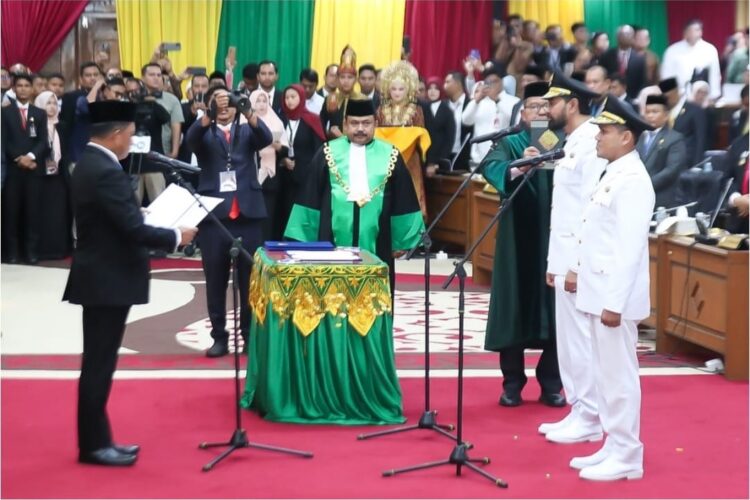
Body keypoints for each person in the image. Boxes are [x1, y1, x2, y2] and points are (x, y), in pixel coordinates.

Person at [63, 100, 197, 466]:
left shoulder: (92, 163)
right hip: (106, 278)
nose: (133, 140)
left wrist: (136, 212)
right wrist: (176, 236)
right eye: (131, 133)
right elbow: (132, 230)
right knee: (99, 364)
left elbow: (114, 216)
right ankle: (93, 446)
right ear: (117, 134)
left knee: (99, 362)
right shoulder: (105, 170)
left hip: (102, 276)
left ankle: (99, 439)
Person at [566, 95, 655, 481]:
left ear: (627, 137)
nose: (597, 137)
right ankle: (613, 442)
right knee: (604, 374)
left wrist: (614, 303)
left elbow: (629, 249)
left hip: (613, 296)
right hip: (598, 290)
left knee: (618, 377)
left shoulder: (633, 181)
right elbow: (593, 232)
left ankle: (628, 453)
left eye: (605, 131)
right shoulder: (614, 172)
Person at [479, 81, 564, 407]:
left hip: (553, 237)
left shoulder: (559, 141)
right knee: (512, 305)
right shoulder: (510, 141)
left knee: (555, 309)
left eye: (545, 106)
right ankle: (512, 383)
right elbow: (491, 167)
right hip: (517, 238)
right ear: (522, 112)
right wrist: (519, 166)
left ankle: (551, 384)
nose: (541, 112)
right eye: (534, 107)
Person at [536, 72, 607, 444]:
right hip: (564, 259)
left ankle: (591, 415)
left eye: (553, 102)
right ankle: (578, 408)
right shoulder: (572, 142)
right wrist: (555, 263)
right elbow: (561, 212)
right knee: (568, 341)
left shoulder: (592, 143)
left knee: (581, 341)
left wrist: (576, 265)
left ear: (573, 104)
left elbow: (589, 211)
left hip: (579, 262)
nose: (547, 109)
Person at [284, 98, 425, 285]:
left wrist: (402, 240)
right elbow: (310, 196)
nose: (360, 129)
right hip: (331, 245)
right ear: (345, 124)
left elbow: (403, 197)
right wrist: (303, 238)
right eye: (354, 123)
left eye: (366, 123)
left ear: (375, 124)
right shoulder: (328, 152)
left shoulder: (390, 154)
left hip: (378, 243)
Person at [186, 86, 273, 357]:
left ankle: (248, 336)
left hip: (247, 216)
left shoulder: (246, 131)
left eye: (228, 102)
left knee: (250, 281)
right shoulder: (205, 132)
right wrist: (208, 116)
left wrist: (248, 111)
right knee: (215, 281)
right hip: (215, 218)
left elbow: (266, 137)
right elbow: (190, 139)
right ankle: (219, 337)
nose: (224, 108)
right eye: (218, 103)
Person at [1, 73, 49, 264]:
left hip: (33, 169)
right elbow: (4, 141)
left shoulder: (39, 113)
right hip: (13, 170)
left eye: (26, 86)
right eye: (19, 86)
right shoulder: (4, 112)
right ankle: (12, 253)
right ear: (14, 89)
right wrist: (19, 159)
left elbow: (43, 141)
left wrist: (30, 157)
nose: (23, 89)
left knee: (32, 212)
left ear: (32, 89)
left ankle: (31, 252)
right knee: (11, 212)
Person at [34, 90, 71, 259]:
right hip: (39, 175)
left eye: (55, 103)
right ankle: (42, 250)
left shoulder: (62, 126)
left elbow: (66, 151)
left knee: (58, 213)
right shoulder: (35, 125)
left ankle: (59, 249)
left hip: (59, 176)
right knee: (41, 213)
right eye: (48, 103)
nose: (52, 107)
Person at [279, 84, 326, 216]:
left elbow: (319, 149)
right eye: (287, 97)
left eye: (293, 97)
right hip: (284, 178)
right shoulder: (280, 119)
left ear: (301, 97)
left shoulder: (312, 119)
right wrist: (283, 160)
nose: (289, 100)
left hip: (306, 177)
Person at [250, 89, 290, 241]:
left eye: (264, 101)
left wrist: (276, 145)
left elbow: (285, 150)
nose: (261, 104)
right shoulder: (243, 121)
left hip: (270, 176)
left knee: (268, 217)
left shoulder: (276, 122)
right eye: (258, 101)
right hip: (249, 174)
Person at [637, 94, 688, 208]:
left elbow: (671, 170)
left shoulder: (674, 138)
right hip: (637, 194)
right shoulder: (639, 137)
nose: (650, 115)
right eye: (647, 112)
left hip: (661, 197)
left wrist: (646, 184)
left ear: (666, 115)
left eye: (655, 112)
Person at [462, 67, 519, 167]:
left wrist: (497, 100)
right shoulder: (479, 102)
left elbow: (516, 121)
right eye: (488, 82)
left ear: (501, 82)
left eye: (494, 81)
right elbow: (466, 121)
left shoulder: (513, 101)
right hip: (478, 160)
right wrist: (476, 101)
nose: (491, 85)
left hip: (502, 160)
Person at [661, 19, 721, 100]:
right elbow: (666, 75)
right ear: (685, 32)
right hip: (679, 96)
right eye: (691, 31)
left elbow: (715, 75)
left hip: (703, 97)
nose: (695, 33)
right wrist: (670, 96)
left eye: (697, 30)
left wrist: (714, 96)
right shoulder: (672, 50)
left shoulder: (710, 50)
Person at [658, 77, 707, 165]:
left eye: (667, 97)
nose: (665, 100)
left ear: (676, 92)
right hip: (666, 161)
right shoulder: (664, 112)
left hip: (687, 162)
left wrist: (697, 165)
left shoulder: (694, 110)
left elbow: (701, 140)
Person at [320, 46, 362, 138]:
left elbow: (366, 129)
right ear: (337, 79)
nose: (346, 81)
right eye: (342, 77)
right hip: (333, 144)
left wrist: (342, 137)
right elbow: (321, 126)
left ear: (356, 80)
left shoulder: (362, 100)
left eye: (350, 77)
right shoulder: (330, 99)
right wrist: (328, 133)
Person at [599, 25, 647, 100]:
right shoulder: (607, 55)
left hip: (631, 98)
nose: (626, 37)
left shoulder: (639, 59)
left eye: (629, 34)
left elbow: (642, 81)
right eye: (623, 34)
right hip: (609, 97)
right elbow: (602, 75)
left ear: (633, 38)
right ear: (617, 37)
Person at [423, 76, 456, 176]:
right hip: (423, 160)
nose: (432, 91)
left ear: (441, 90)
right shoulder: (422, 108)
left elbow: (450, 139)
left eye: (436, 88)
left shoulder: (447, 111)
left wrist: (437, 162)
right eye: (430, 88)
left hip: (440, 162)